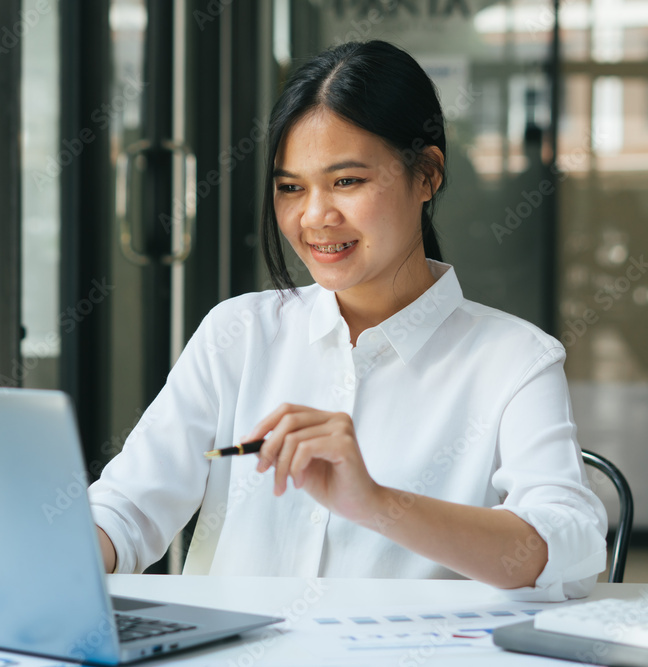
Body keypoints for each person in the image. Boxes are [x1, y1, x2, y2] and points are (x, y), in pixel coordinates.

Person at [88, 40, 606, 601]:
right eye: (291, 188)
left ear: (427, 174)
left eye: (347, 181)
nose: (314, 217)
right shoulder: (237, 334)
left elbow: (570, 548)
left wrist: (379, 505)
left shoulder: (513, 360)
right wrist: (50, 555)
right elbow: (127, 508)